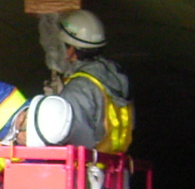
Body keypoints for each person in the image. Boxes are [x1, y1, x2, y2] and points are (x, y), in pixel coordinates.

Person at [48, 10, 134, 155]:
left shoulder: (78, 88)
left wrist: (57, 104)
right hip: (114, 170)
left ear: (71, 50)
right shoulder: (113, 76)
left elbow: (76, 142)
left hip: (86, 173)